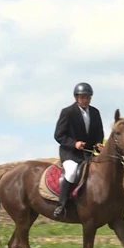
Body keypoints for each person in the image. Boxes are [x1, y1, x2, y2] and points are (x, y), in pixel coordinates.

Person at [52, 82, 104, 219]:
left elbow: (99, 132)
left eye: (87, 97)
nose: (85, 100)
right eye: (82, 97)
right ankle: (61, 205)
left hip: (88, 153)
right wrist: (74, 144)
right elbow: (58, 135)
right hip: (70, 153)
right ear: (76, 98)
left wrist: (99, 143)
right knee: (71, 172)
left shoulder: (95, 112)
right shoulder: (67, 112)